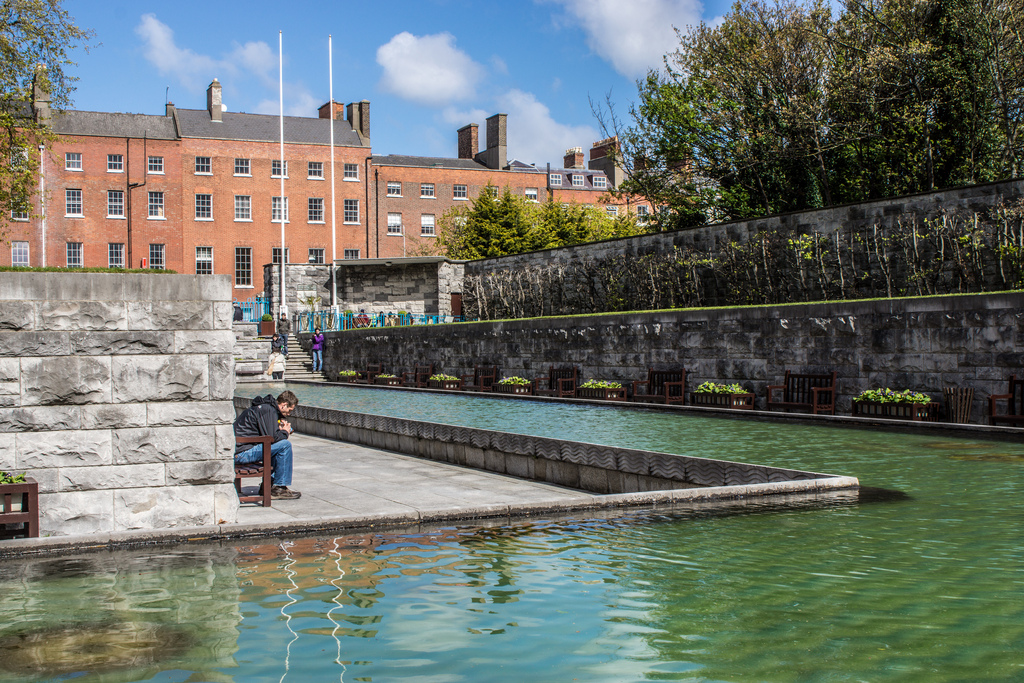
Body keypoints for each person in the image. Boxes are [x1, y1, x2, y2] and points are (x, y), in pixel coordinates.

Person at [234, 391, 301, 499]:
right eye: (289, 410)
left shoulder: (265, 408)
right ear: (284, 405)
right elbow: (271, 439)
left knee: (278, 447)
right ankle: (279, 487)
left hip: (240, 450)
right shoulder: (268, 410)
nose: (289, 414)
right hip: (242, 453)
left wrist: (280, 430)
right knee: (285, 445)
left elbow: (268, 435)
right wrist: (285, 432)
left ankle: (269, 486)